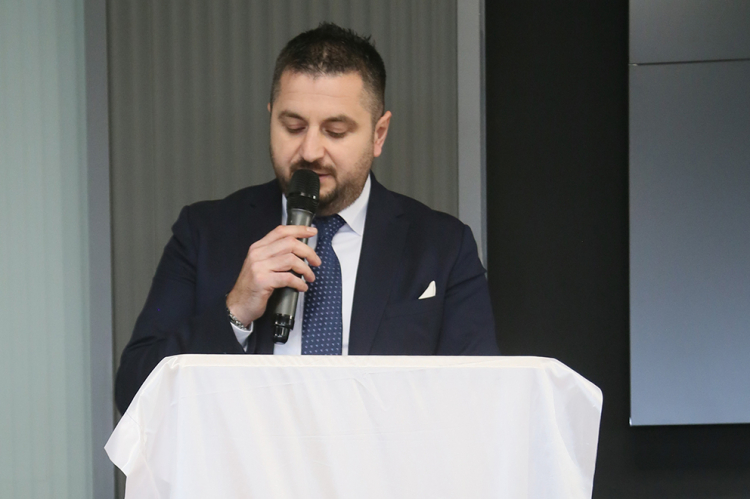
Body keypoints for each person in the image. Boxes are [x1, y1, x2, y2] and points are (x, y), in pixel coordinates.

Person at [115, 22, 498, 414]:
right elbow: (133, 392)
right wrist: (235, 312)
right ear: (271, 119)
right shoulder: (205, 232)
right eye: (293, 127)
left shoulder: (442, 246)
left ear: (378, 134)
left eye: (336, 131)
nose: (310, 151)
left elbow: (481, 402)